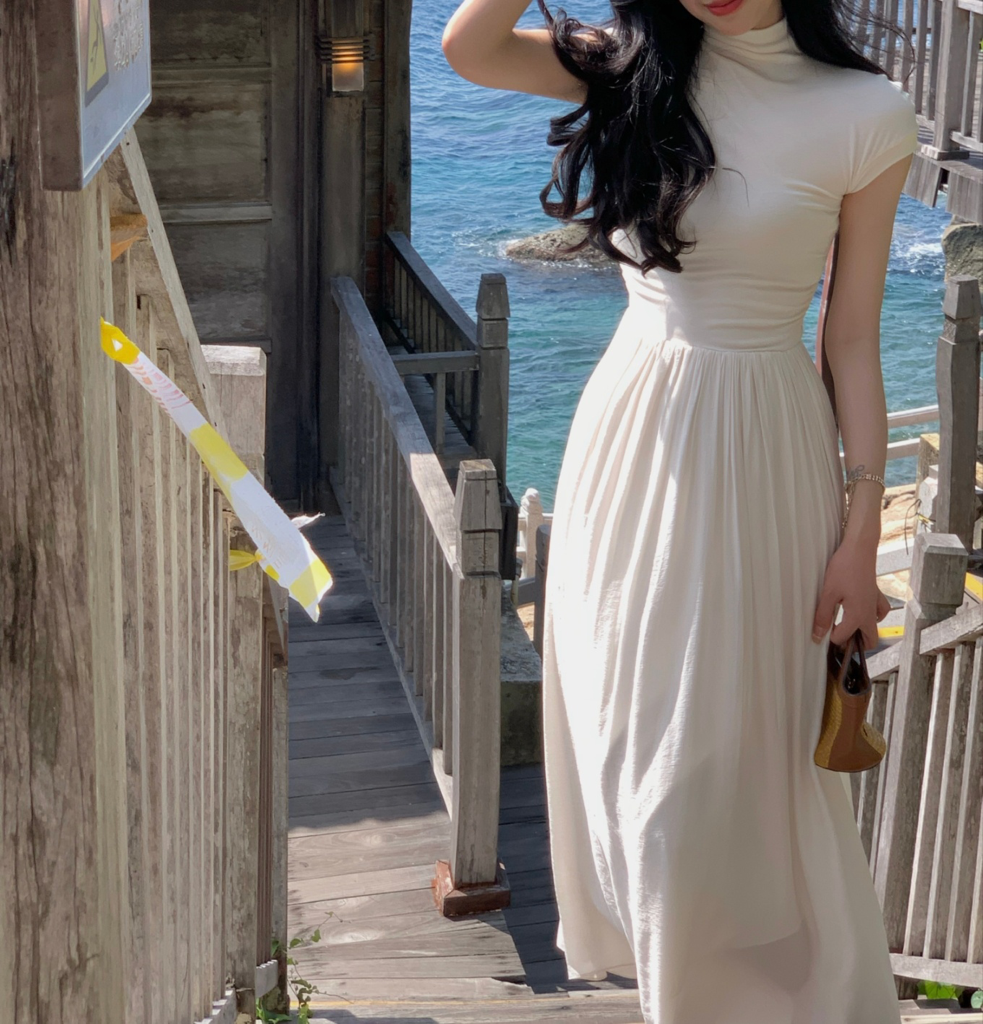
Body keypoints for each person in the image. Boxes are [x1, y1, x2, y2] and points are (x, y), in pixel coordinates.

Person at [442, 0, 914, 1020]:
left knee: (731, 768)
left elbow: (849, 340)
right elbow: (468, 47)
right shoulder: (627, 70)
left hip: (764, 450)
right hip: (629, 439)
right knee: (632, 753)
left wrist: (860, 531)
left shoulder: (865, 111)